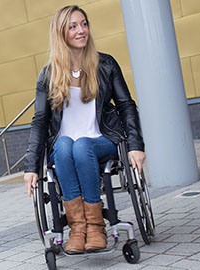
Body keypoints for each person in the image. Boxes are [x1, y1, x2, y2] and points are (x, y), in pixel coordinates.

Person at [24, 5, 145, 253]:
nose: (82, 31)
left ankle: (95, 226)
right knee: (68, 144)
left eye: (84, 24)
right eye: (73, 26)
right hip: (64, 146)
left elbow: (126, 106)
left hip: (101, 139)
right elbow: (40, 121)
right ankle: (78, 229)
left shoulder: (106, 64)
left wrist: (135, 146)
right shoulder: (48, 75)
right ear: (61, 34)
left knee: (81, 146)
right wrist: (31, 167)